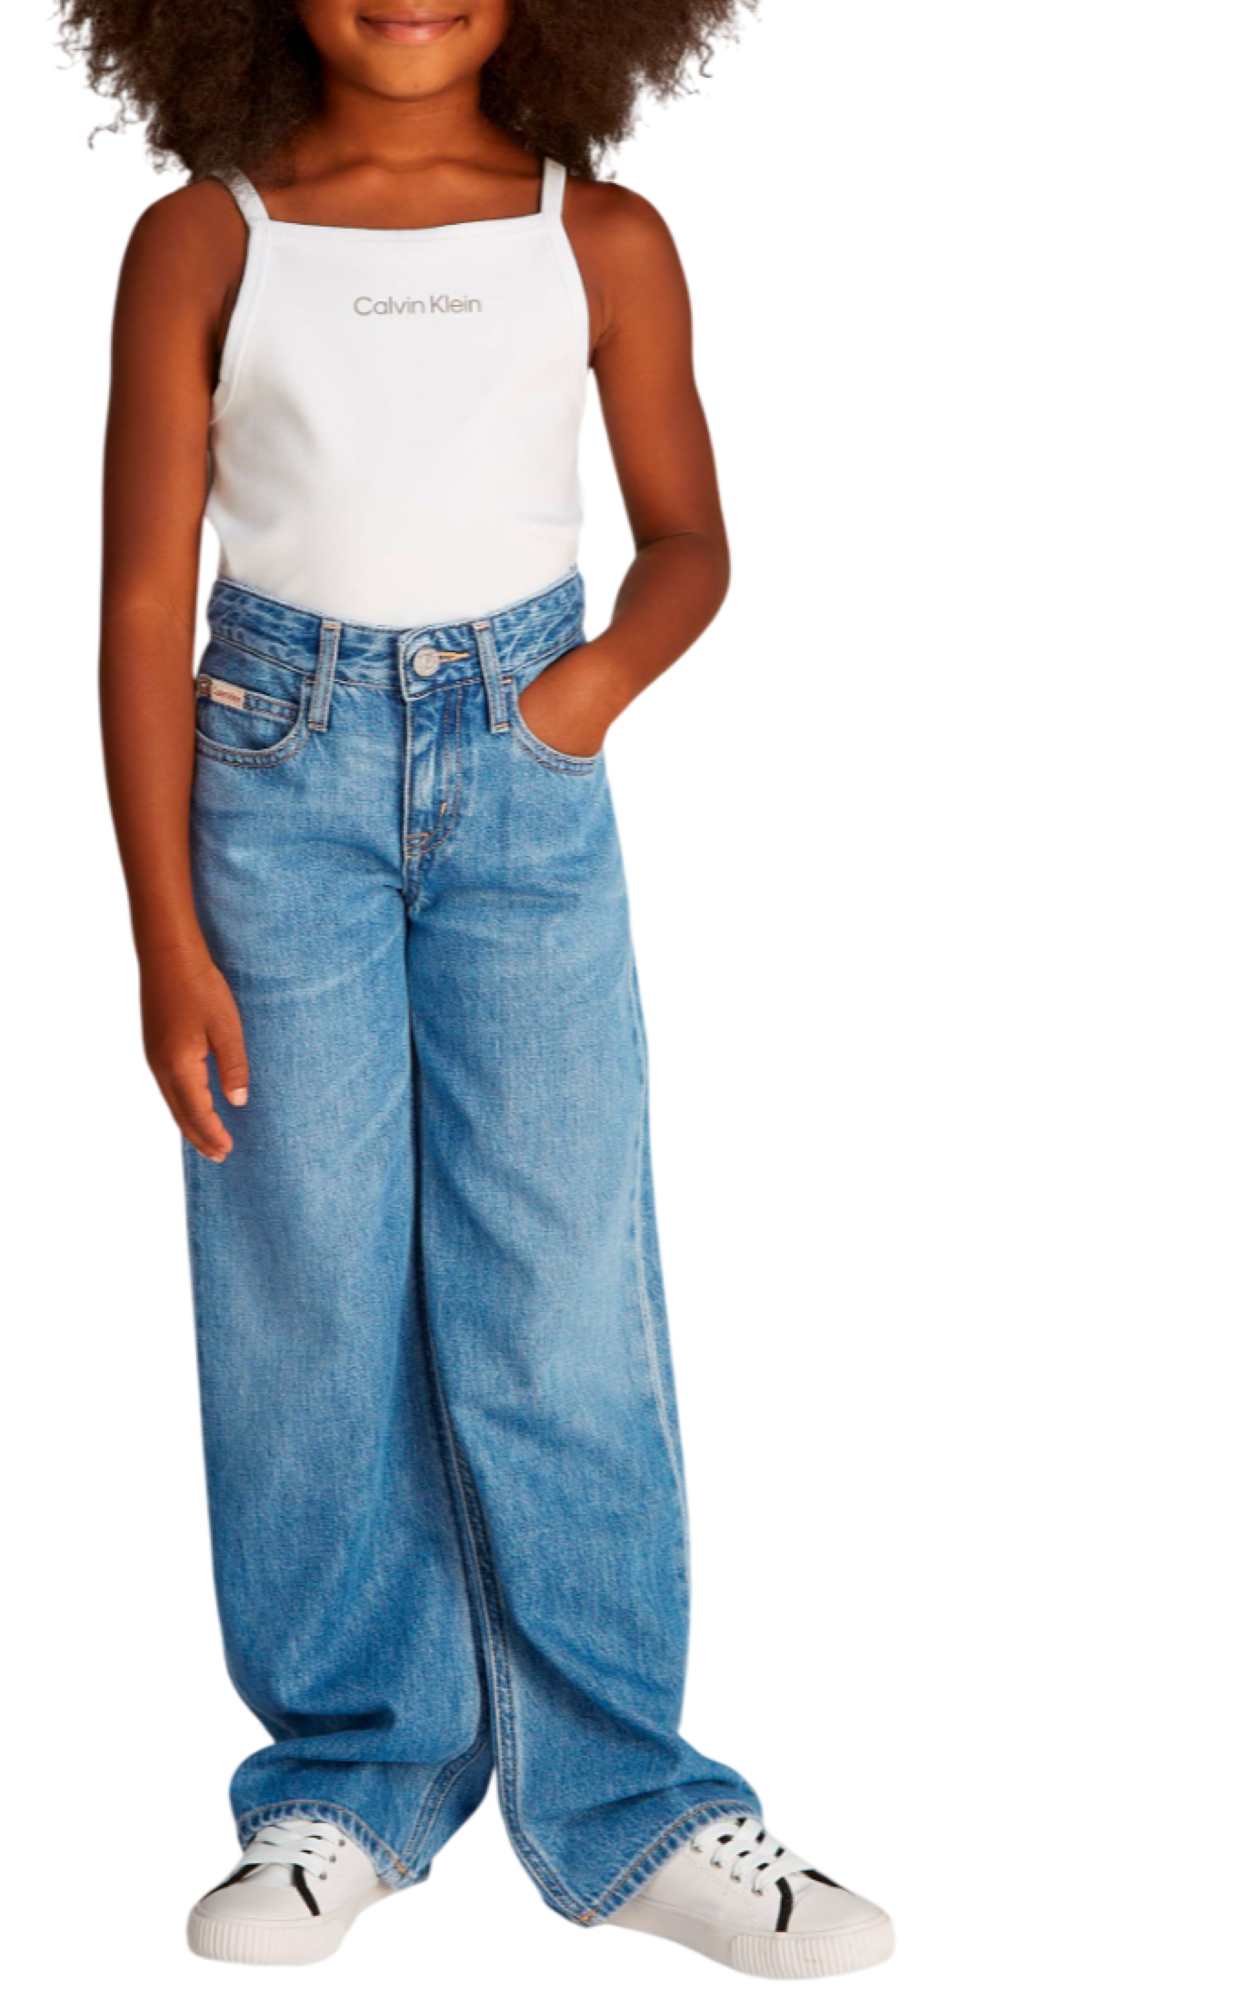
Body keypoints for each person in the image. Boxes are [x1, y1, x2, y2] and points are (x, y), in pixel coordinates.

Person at [66, 0, 892, 1977]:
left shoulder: (598, 235)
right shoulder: (205, 238)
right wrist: (163, 931)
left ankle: (636, 1803)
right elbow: (141, 598)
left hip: (525, 786)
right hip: (273, 783)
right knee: (307, 1283)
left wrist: (582, 695)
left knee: (563, 1288)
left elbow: (688, 539)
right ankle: (345, 1786)